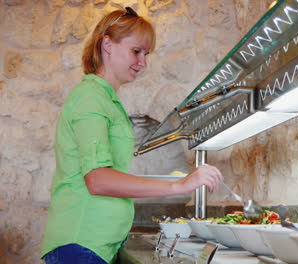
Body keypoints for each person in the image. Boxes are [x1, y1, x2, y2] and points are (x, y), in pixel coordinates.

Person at [40, 7, 223, 264]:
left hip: (95, 243)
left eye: (146, 54)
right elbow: (98, 179)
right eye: (136, 51)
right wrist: (179, 185)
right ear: (108, 45)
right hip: (82, 241)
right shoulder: (90, 97)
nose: (143, 62)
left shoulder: (105, 98)